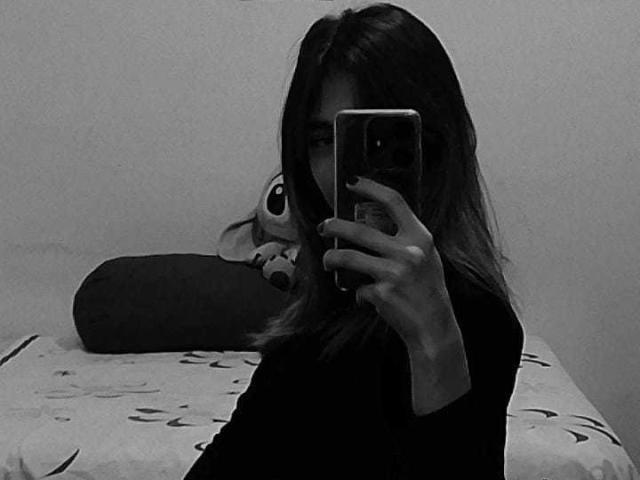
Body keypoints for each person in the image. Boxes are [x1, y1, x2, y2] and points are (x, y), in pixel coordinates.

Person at [183, 3, 525, 479]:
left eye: (378, 141)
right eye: (323, 140)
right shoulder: (322, 310)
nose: (344, 170)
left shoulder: (475, 317)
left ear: (435, 146)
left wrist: (434, 342)